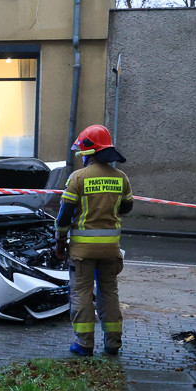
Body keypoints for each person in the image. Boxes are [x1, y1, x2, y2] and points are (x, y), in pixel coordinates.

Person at [54, 124, 133, 356]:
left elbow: (65, 215)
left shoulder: (78, 178)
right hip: (110, 249)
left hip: (83, 251)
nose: (80, 157)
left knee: (82, 293)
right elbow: (127, 208)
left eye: (81, 153)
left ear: (89, 152)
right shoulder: (121, 178)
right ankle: (113, 344)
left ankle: (84, 344)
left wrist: (60, 241)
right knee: (109, 293)